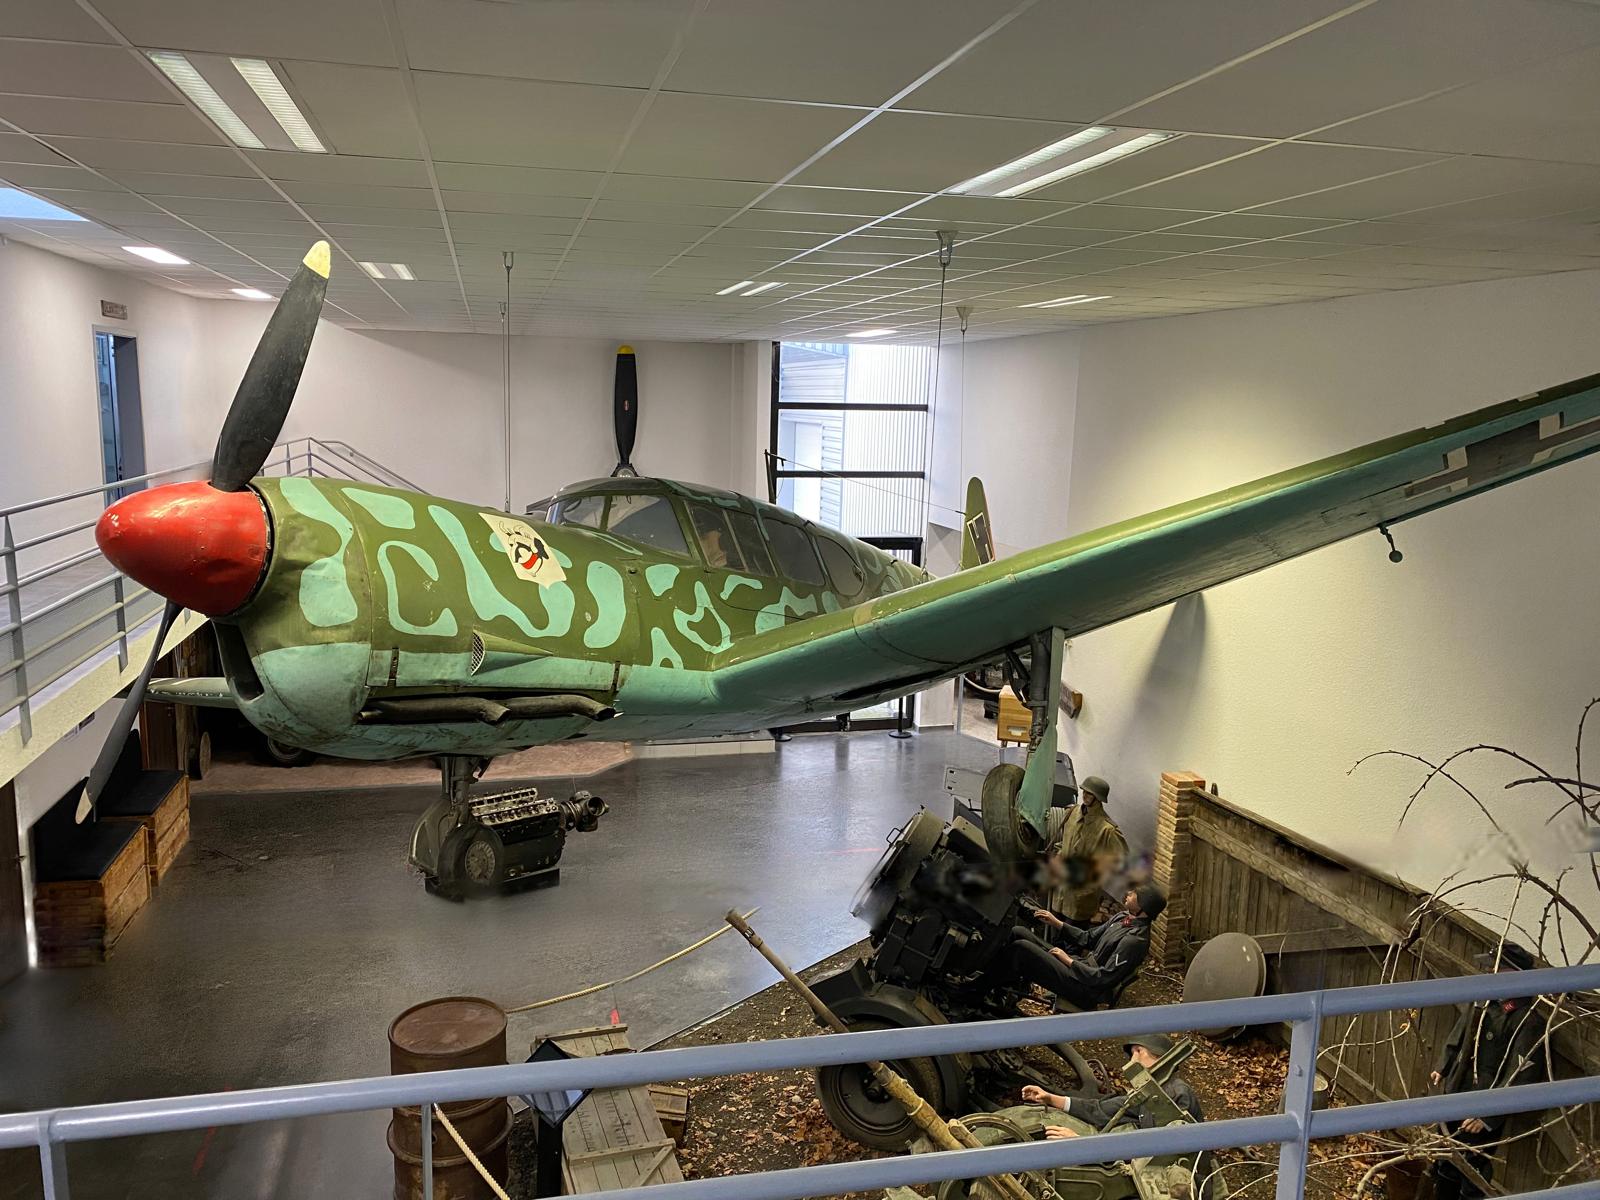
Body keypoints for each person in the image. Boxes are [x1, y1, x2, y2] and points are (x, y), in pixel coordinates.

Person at [1429, 942, 1550, 1200]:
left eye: (1497, 970)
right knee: (1445, 1157)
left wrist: (1488, 1115)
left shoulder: (1527, 1021)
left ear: (1514, 975)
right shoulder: (1484, 1001)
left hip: (1483, 1103)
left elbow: (1520, 1075)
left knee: (1473, 1167)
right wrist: (1444, 1065)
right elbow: (1460, 1033)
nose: (1490, 974)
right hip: (1457, 1090)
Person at [1004, 885, 1165, 1010]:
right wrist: (1056, 922)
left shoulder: (1135, 940)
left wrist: (1069, 961)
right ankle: (1006, 990)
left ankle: (991, 991)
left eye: (1135, 894)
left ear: (1143, 906)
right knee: (1019, 931)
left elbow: (1102, 978)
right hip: (1082, 967)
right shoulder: (1122, 917)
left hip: (1086, 987)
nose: (1129, 893)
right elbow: (1087, 938)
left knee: (1021, 949)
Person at [1021, 1033, 1203, 1134]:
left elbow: (1162, 1154)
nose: (1133, 1059)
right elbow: (1100, 1110)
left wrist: (1081, 1145)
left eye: (1139, 1051)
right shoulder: (1148, 1090)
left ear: (1161, 1057)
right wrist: (1051, 1098)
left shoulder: (1177, 1093)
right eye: (1132, 1053)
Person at [1042, 775, 1128, 925]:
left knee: (1074, 932)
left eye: (1090, 793)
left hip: (1081, 893)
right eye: (1084, 791)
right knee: (1053, 927)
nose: (1085, 795)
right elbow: (1065, 841)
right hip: (1061, 887)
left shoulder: (1107, 829)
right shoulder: (1072, 813)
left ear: (1098, 798)